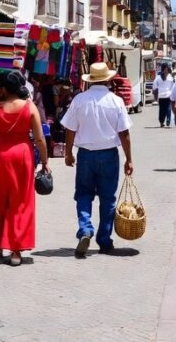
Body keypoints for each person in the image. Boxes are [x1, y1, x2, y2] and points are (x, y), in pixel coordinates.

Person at [61, 62, 134, 257]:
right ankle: (104, 240)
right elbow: (124, 133)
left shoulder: (79, 100)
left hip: (85, 154)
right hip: (109, 154)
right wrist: (129, 159)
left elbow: (69, 129)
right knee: (107, 199)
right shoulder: (116, 101)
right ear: (108, 79)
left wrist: (68, 153)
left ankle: (85, 229)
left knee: (83, 194)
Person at [0, 71, 49, 266]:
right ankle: (16, 251)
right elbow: (40, 139)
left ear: (4, 89)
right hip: (23, 157)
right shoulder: (29, 107)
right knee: (20, 202)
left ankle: (1, 245)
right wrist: (45, 162)